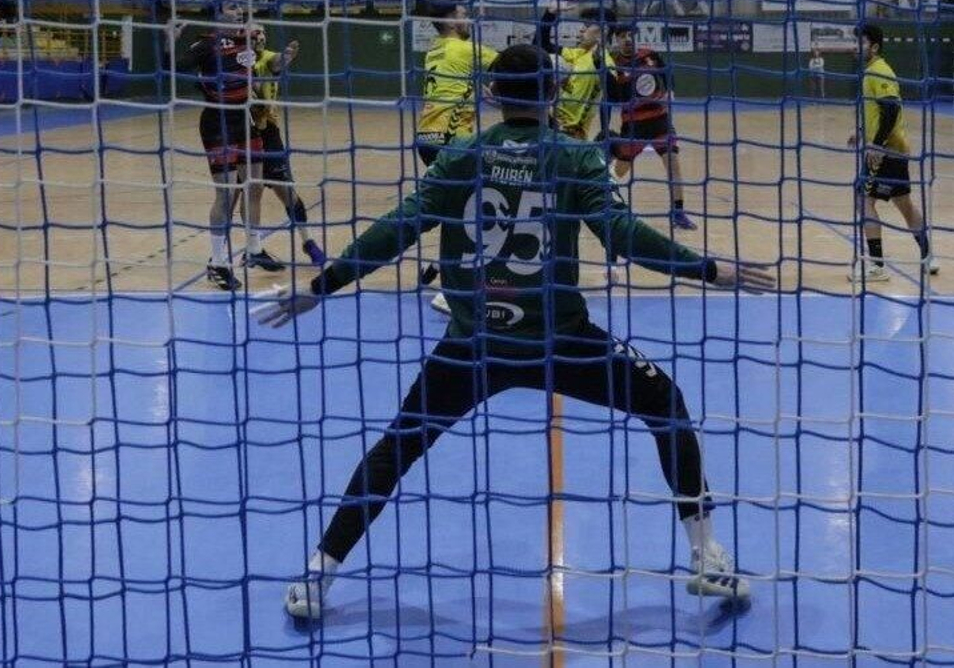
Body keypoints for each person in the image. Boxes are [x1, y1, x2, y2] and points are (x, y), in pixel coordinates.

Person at [255, 43, 775, 620]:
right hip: (562, 341)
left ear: (491, 95)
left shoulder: (461, 156)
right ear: (553, 92)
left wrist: (320, 287)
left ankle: (318, 573)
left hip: (474, 346)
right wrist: (709, 269)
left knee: (398, 447)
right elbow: (625, 238)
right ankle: (706, 557)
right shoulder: (575, 158)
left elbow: (395, 230)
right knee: (666, 405)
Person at [415, 0, 500, 314]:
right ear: (451, 20)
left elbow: (456, 84)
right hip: (452, 143)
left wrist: (478, 91)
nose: (469, 19)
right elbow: (513, 62)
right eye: (464, 15)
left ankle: (439, 268)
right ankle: (449, 292)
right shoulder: (464, 50)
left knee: (464, 210)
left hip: (428, 138)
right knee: (482, 212)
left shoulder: (435, 50)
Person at [847, 23, 936, 282]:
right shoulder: (872, 72)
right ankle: (928, 256)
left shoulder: (878, 71)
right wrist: (863, 132)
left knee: (863, 201)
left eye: (861, 42)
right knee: (904, 204)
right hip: (895, 150)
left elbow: (890, 109)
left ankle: (877, 266)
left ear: (874, 47)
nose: (856, 47)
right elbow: (878, 111)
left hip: (886, 151)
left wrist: (876, 144)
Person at [240, 25, 326, 270]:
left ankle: (307, 241)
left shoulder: (266, 57)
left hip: (268, 133)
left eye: (263, 32)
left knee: (287, 191)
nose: (260, 36)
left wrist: (287, 55)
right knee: (250, 193)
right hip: (243, 133)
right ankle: (252, 249)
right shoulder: (235, 60)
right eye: (255, 32)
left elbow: (276, 63)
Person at [182, 27, 261, 291]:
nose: (237, 11)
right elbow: (178, 67)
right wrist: (170, 42)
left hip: (245, 118)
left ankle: (254, 248)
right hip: (218, 123)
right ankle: (217, 262)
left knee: (254, 185)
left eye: (240, 7)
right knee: (225, 194)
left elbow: (254, 75)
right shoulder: (206, 43)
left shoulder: (247, 39)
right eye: (231, 6)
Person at [608, 28, 694, 229]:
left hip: (660, 121)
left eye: (630, 35)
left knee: (673, 164)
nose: (627, 39)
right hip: (634, 126)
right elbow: (614, 97)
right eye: (622, 36)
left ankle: (678, 213)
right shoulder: (613, 64)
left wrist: (670, 90)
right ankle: (599, 199)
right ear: (616, 40)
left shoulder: (650, 55)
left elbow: (666, 72)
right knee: (619, 171)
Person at [535, 0, 617, 142]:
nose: (581, 30)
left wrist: (600, 65)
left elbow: (614, 94)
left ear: (604, 30)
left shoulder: (605, 61)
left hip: (569, 135)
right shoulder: (578, 54)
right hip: (549, 125)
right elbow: (540, 45)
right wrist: (550, 15)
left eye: (586, 26)